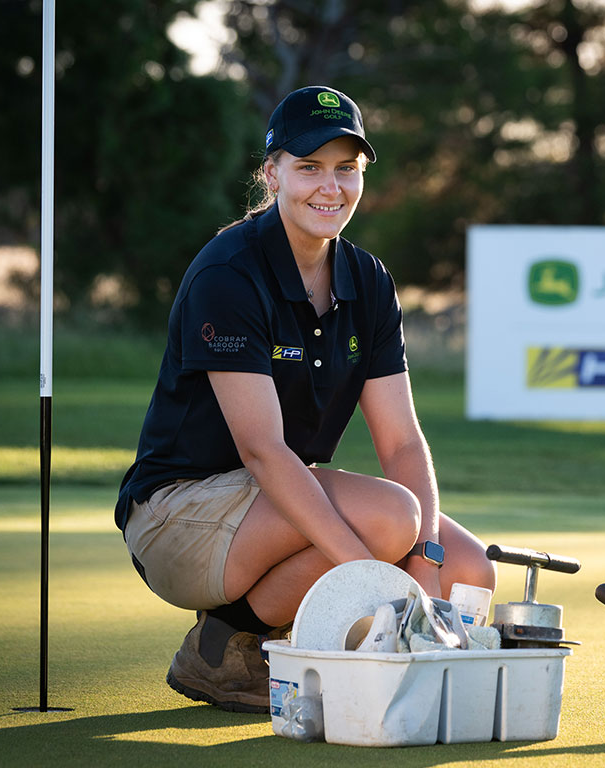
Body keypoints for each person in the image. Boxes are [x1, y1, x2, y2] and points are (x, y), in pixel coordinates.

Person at [114, 85, 495, 714]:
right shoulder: (228, 272)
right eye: (309, 167)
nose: (331, 187)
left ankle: (265, 637)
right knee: (389, 520)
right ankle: (227, 637)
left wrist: (425, 564)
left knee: (467, 570)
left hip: (279, 501)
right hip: (178, 511)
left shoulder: (368, 281)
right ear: (273, 173)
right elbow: (262, 450)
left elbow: (400, 441)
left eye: (347, 168)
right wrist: (380, 583)